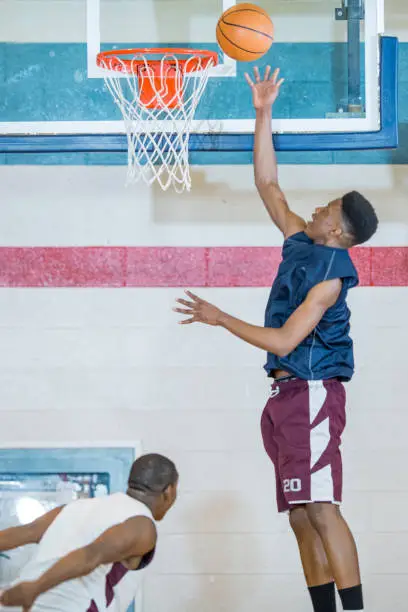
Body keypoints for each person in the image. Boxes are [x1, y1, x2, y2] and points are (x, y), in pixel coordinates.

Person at [173, 66, 379, 612]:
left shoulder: (332, 273)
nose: (315, 209)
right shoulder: (302, 242)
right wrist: (262, 112)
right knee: (299, 511)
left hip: (312, 389)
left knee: (323, 508)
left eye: (326, 209)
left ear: (337, 230)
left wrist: (220, 318)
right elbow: (268, 184)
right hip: (286, 395)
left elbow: (287, 341)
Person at [0, 453, 178, 611]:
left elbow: (22, 533)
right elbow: (90, 555)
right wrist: (35, 588)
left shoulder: (75, 508)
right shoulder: (142, 525)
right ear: (169, 491)